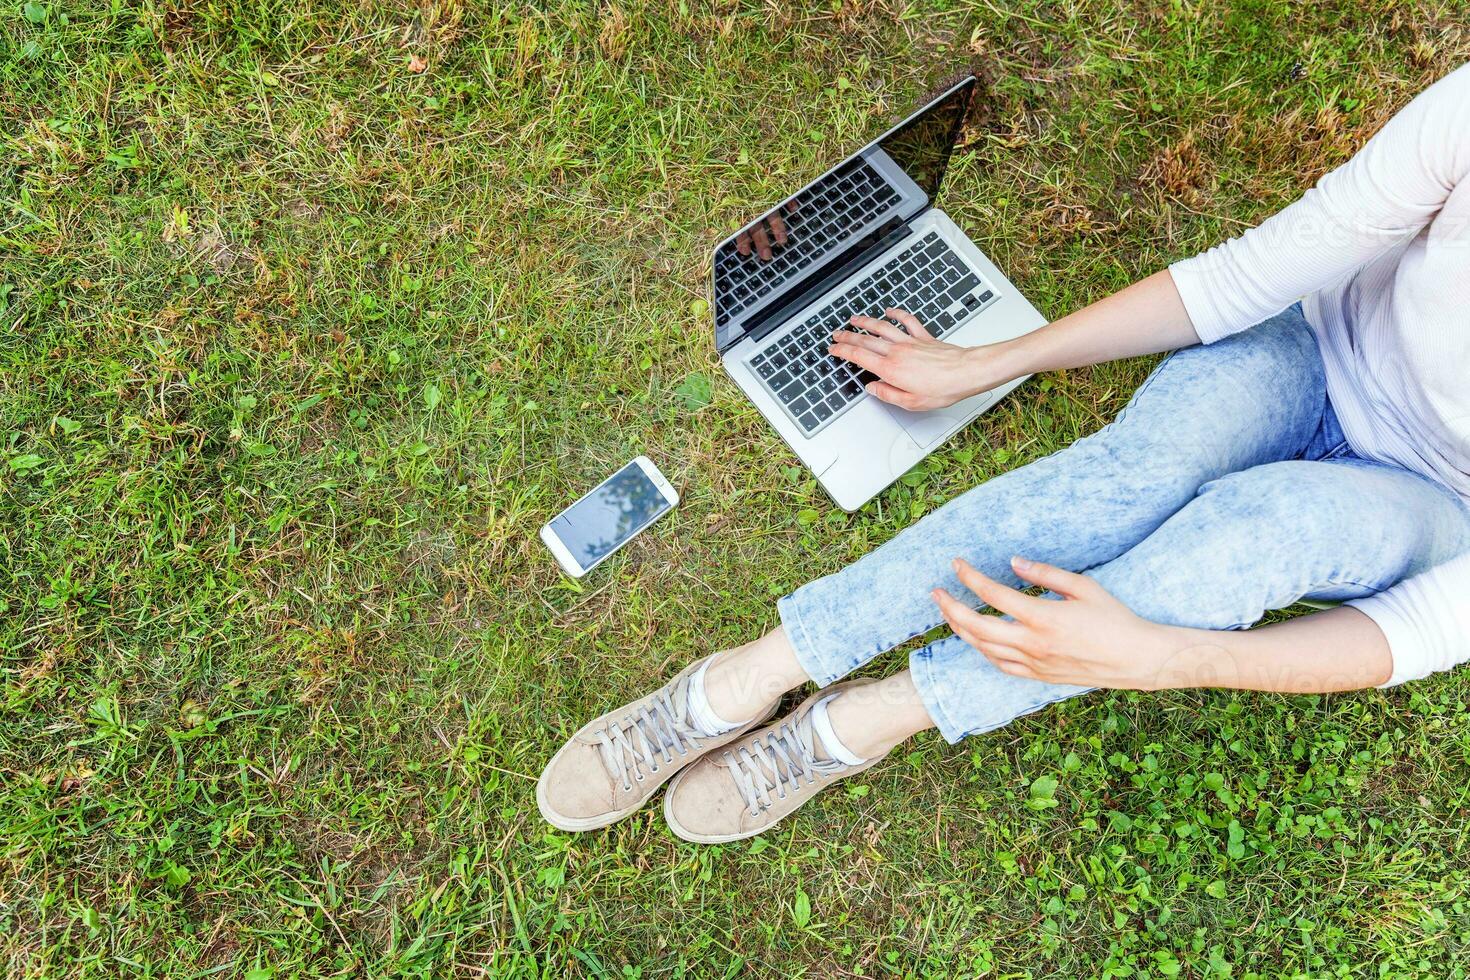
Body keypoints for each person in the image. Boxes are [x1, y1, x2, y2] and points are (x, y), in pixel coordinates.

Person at [537, 64, 1470, 842]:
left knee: (1258, 537)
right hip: (1316, 342)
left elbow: (1429, 627)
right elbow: (1246, 278)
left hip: (1430, 494)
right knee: (1130, 479)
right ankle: (755, 673)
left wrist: (1156, 656)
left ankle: (869, 717)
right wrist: (988, 362)